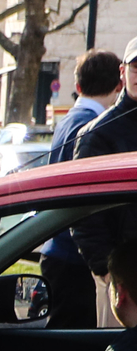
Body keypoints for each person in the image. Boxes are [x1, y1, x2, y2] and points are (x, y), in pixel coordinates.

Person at [42, 49, 123, 326]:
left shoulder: (67, 121)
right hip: (78, 257)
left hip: (59, 248)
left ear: (78, 87)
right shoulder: (93, 129)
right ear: (119, 85)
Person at [64, 34, 137, 324]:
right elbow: (82, 211)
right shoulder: (97, 133)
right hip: (122, 281)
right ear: (122, 72)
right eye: (136, 68)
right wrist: (107, 271)